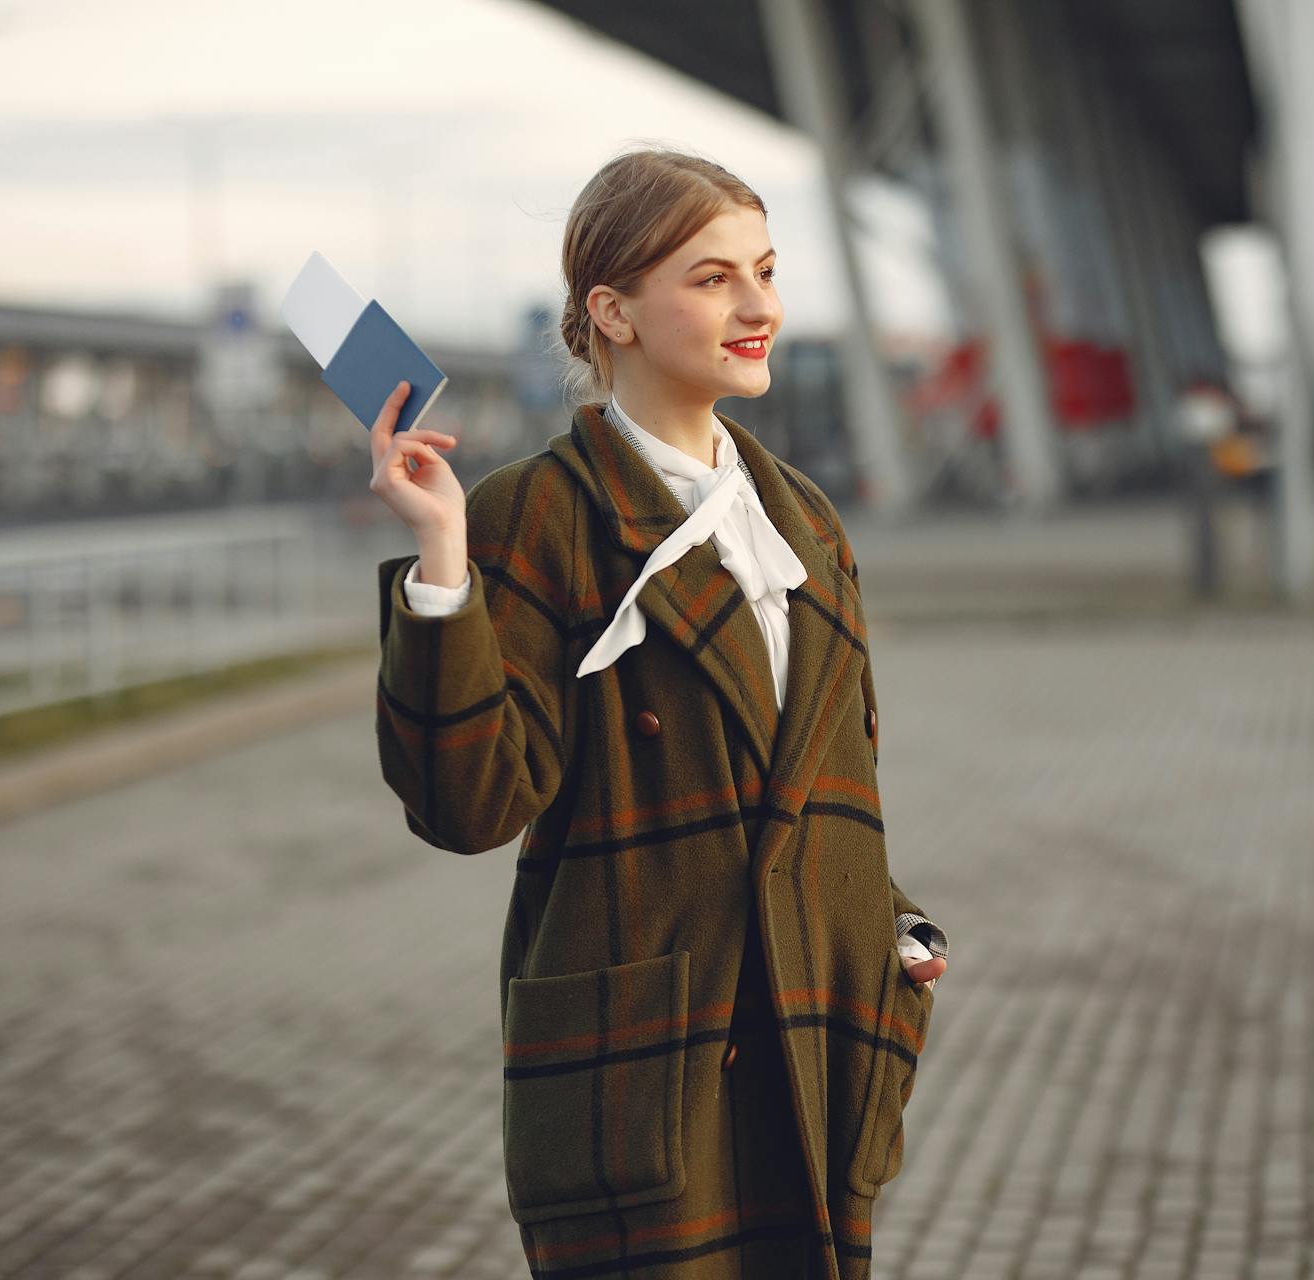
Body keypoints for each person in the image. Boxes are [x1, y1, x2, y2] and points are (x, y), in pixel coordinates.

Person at [367, 147, 949, 1280]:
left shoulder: (805, 520)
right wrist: (443, 560)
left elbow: (829, 784)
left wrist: (899, 934)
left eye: (766, 270)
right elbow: (468, 804)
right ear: (612, 310)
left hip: (813, 1026)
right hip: (649, 1068)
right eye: (713, 277)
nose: (760, 306)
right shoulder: (534, 513)